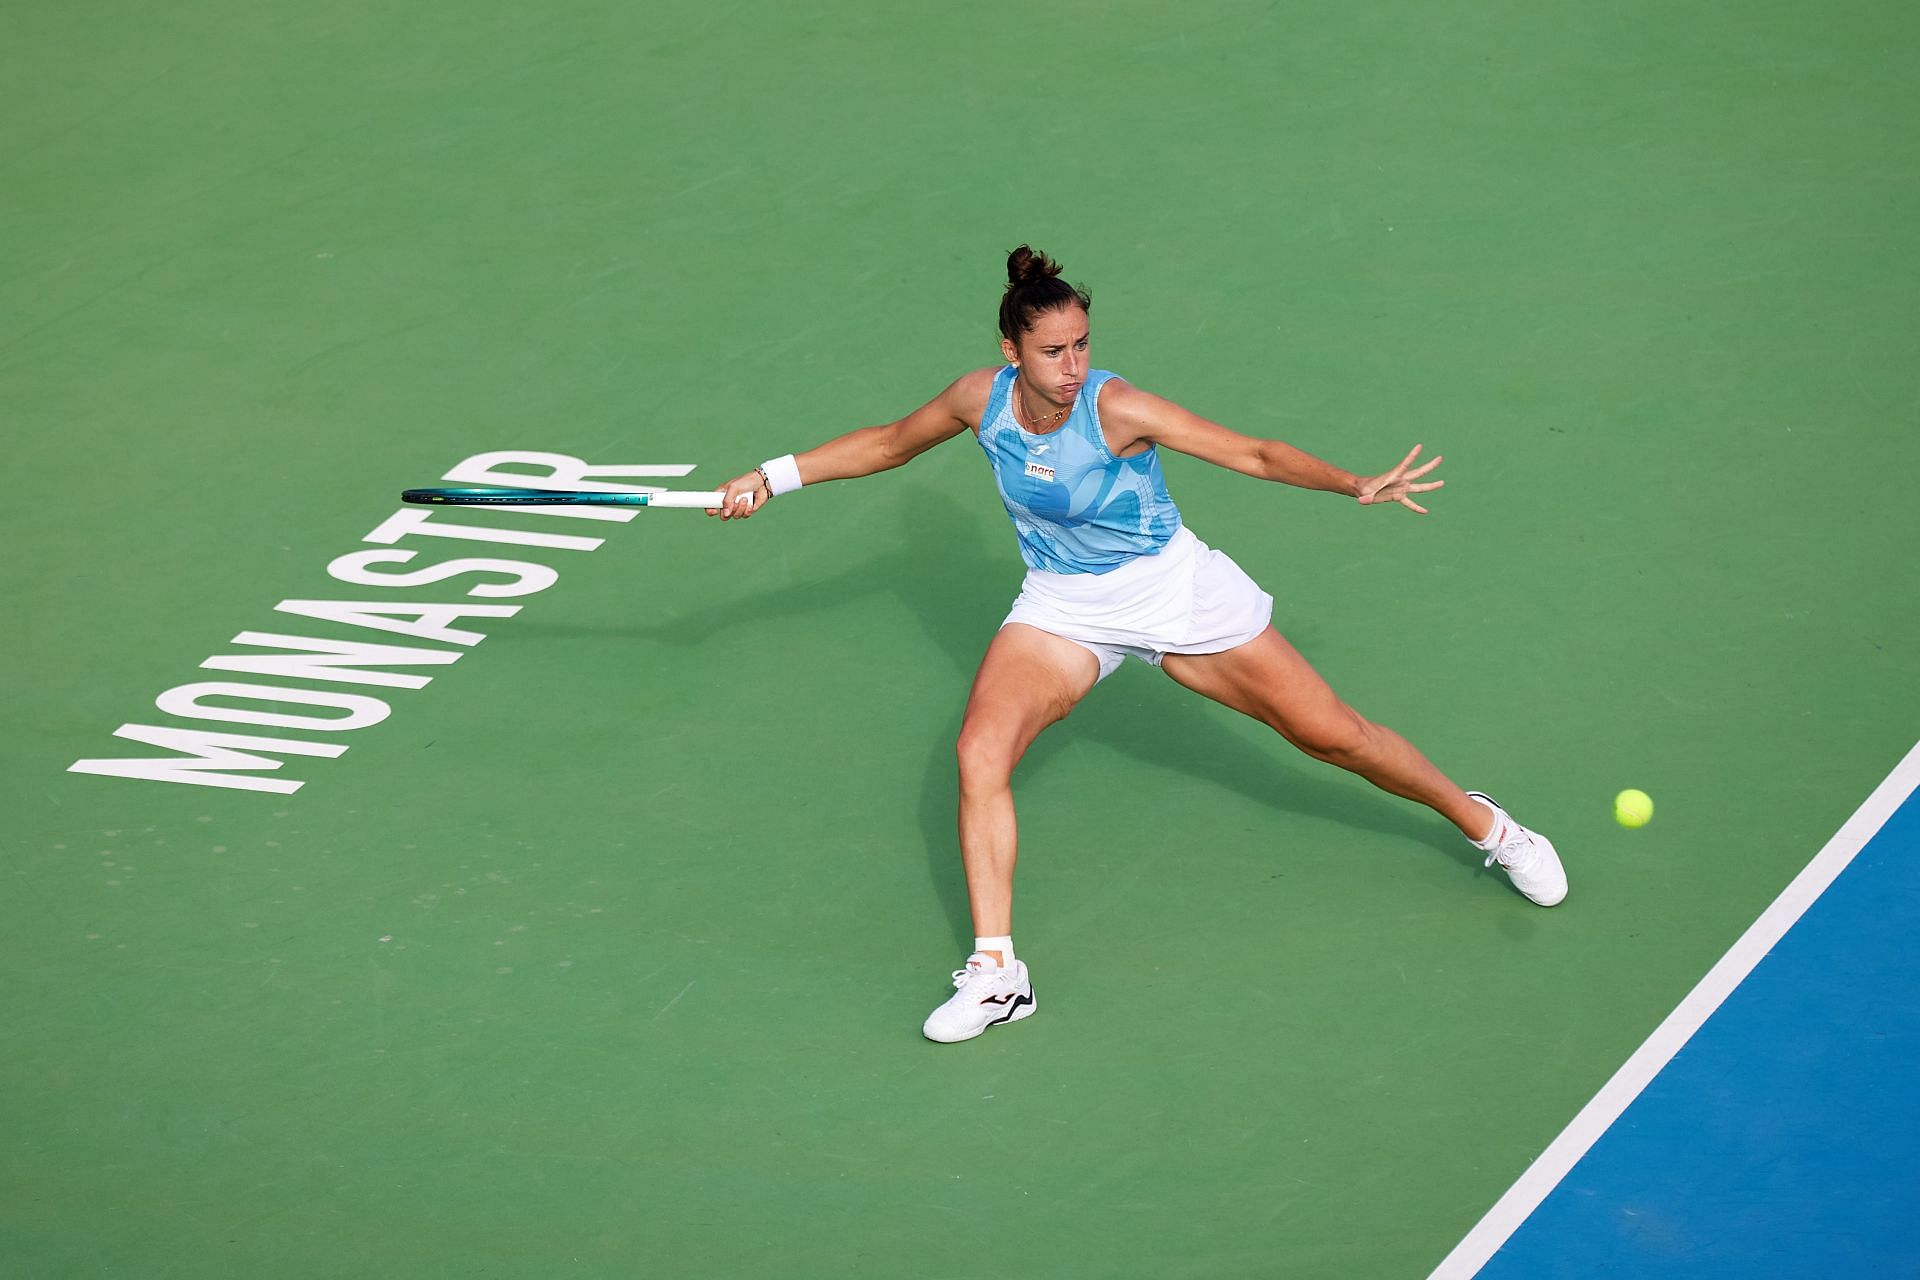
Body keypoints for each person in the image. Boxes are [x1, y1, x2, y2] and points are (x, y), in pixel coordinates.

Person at [712, 246, 1566, 1045]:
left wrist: (1352, 483)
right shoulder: (979, 399)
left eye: (1082, 344)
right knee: (980, 753)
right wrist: (771, 477)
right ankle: (997, 973)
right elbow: (889, 444)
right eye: (1052, 351)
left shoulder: (1116, 408)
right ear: (1011, 349)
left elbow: (1255, 453)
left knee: (1334, 737)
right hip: (1062, 605)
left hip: (1174, 592)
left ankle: (1489, 826)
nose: (1072, 365)